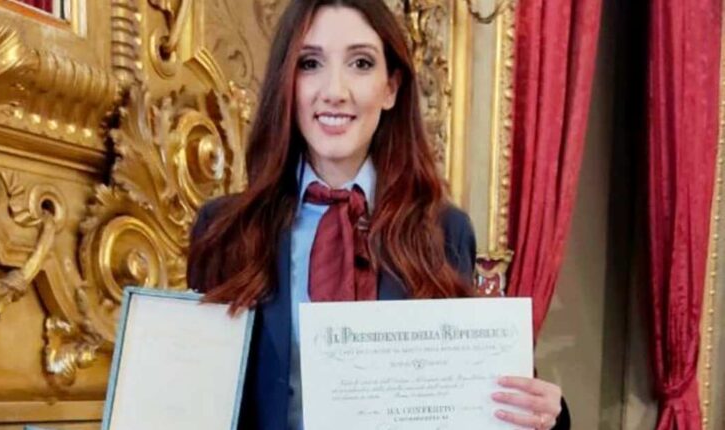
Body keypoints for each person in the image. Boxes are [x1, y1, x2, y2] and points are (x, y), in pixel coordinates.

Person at [187, 0, 569, 428]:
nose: (335, 90)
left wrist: (545, 412)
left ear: (391, 88)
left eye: (361, 63)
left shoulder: (443, 230)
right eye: (310, 63)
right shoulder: (225, 229)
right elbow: (198, 394)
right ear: (286, 84)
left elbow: (466, 397)